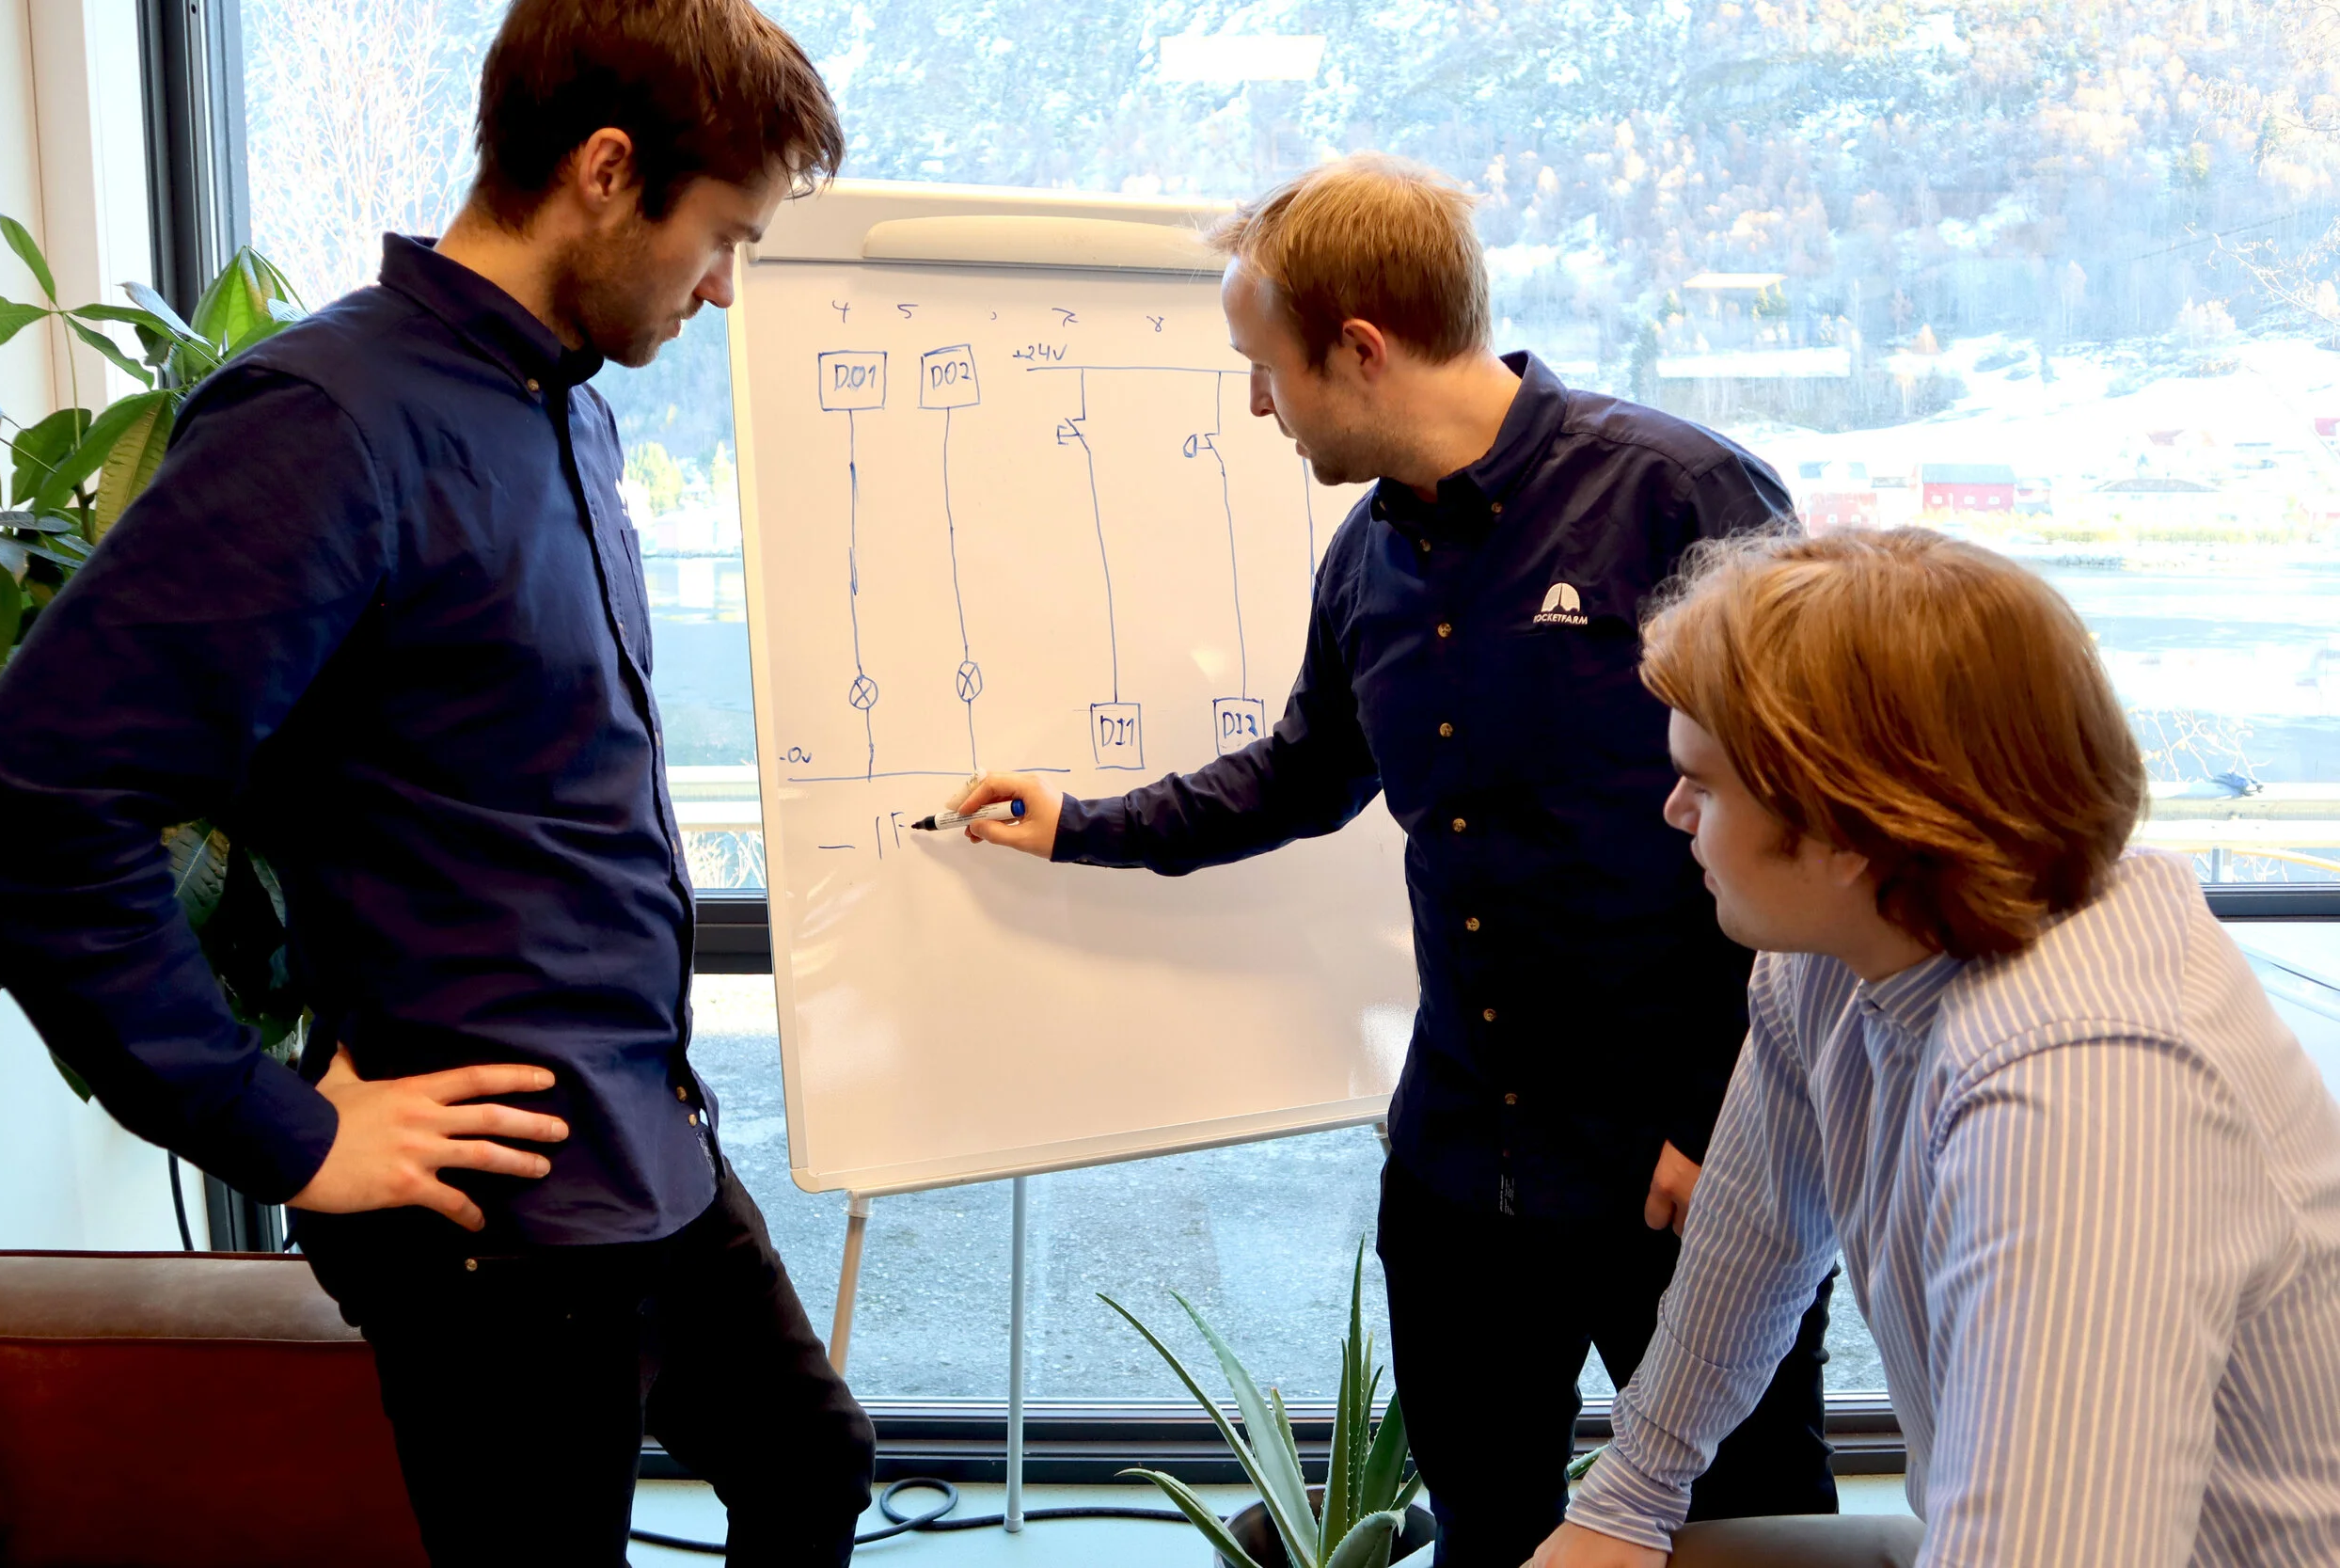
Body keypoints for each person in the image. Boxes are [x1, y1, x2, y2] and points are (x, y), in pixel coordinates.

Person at [0, 2, 874, 1562]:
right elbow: (42, 794)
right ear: (608, 171)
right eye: (725, 237)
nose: (725, 286)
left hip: (648, 1137)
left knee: (811, 1462)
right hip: (491, 1227)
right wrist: (278, 1124)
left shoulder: (568, 411)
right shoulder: (325, 424)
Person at [953, 154, 1840, 1566]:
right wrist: (1081, 824)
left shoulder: (1683, 495)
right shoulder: (1367, 560)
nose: (1259, 405)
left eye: (1266, 369)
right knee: (1487, 1525)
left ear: (1360, 349)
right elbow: (1303, 770)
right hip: (1462, 1166)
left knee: (1746, 1532)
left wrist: (1713, 1114)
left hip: (1683, 1160)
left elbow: (1816, 816)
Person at [1536, 529, 2340, 1568]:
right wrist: (1626, 1500)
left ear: (1845, 829)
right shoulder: (1839, 947)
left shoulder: (2081, 1091)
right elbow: (1751, 1244)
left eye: (1706, 782)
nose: (1674, 809)